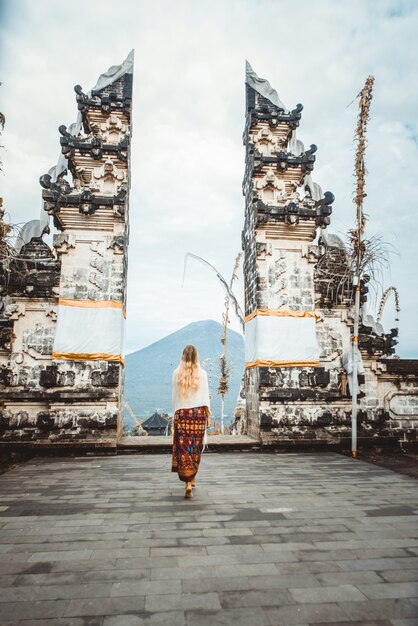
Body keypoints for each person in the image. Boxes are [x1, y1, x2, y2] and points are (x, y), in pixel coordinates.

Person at [171, 344, 211, 498]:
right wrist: (207, 416)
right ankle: (192, 477)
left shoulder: (176, 373)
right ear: (196, 357)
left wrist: (175, 416)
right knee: (195, 448)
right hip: (198, 414)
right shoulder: (203, 374)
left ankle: (188, 483)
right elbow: (205, 397)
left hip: (182, 415)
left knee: (183, 449)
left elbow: (174, 397)